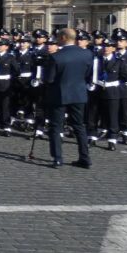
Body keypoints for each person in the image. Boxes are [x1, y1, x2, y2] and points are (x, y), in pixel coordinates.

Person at [44, 27, 92, 169]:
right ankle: (85, 157)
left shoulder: (56, 56)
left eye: (58, 37)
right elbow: (87, 73)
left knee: (56, 127)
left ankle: (57, 158)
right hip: (79, 93)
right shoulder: (87, 54)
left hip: (59, 95)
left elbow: (49, 79)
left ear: (63, 38)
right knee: (79, 126)